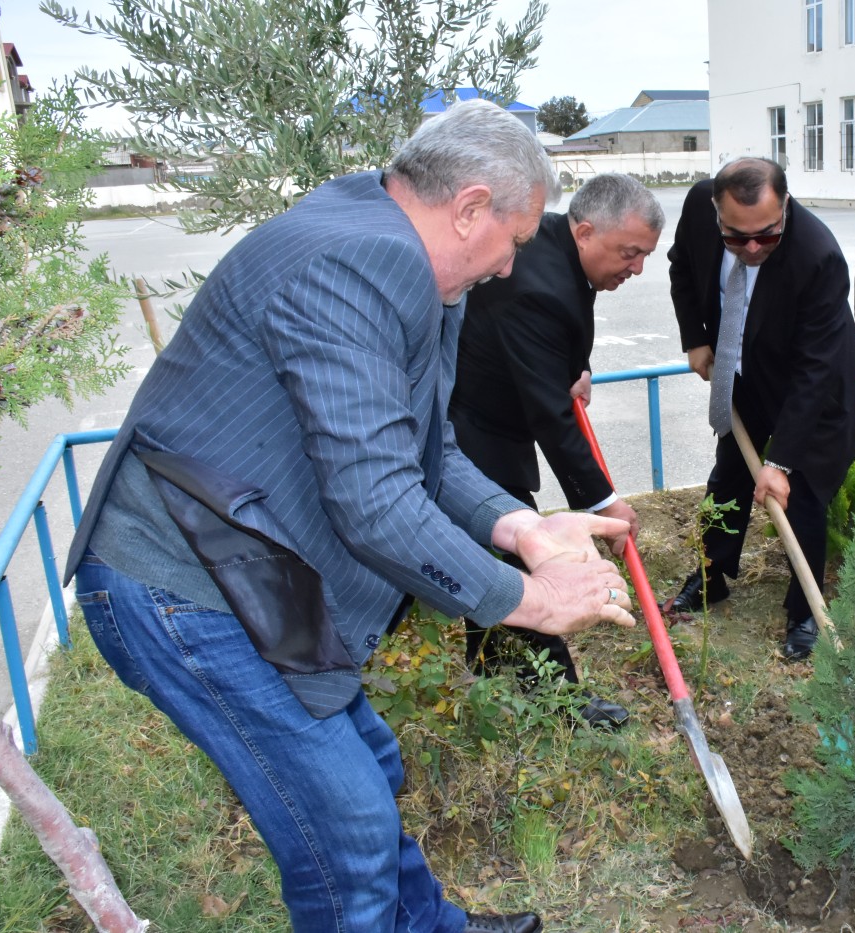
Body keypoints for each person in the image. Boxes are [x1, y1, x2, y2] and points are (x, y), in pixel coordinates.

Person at [64, 100, 639, 933]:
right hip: (185, 585)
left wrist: (521, 529)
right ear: (470, 206)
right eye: (512, 242)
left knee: (369, 768)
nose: (512, 268)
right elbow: (376, 504)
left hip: (249, 567)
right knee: (346, 838)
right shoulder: (361, 260)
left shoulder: (397, 244)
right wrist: (531, 602)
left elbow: (425, 450)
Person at [451, 173, 664, 728]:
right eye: (630, 253)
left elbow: (555, 347)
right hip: (469, 429)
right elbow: (551, 415)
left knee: (488, 555)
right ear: (587, 231)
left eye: (644, 256)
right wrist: (603, 502)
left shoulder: (556, 243)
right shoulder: (536, 287)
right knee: (521, 556)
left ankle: (489, 665)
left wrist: (575, 367)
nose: (637, 268)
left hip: (490, 412)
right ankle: (558, 703)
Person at [662, 157, 855, 661]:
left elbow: (815, 371)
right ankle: (712, 577)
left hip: (819, 394)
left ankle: (804, 613)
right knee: (728, 477)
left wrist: (780, 463)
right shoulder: (697, 207)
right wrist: (696, 339)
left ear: (786, 207)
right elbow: (682, 268)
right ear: (716, 213)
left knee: (801, 498)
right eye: (736, 237)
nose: (752, 248)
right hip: (746, 372)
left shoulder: (818, 256)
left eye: (767, 235)